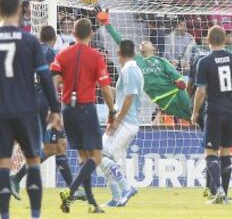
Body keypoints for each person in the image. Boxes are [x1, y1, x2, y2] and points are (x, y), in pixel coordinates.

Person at [0, 0, 61, 219]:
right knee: (33, 160)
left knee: (4, 163)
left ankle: (4, 215)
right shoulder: (30, 41)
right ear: (20, 11)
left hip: (1, 111)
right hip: (26, 110)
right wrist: (55, 109)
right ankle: (35, 215)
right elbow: (46, 78)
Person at [51, 18, 116, 213]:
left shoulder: (63, 54)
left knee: (83, 157)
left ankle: (92, 204)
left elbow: (54, 81)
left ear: (73, 32)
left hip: (67, 109)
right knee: (96, 157)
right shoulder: (96, 57)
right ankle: (71, 191)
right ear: (91, 34)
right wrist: (112, 111)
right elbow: (105, 89)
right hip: (86, 108)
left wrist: (54, 106)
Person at [10, 26, 77, 201]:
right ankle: (73, 190)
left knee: (56, 147)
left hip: (31, 102)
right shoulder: (50, 54)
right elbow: (53, 79)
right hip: (46, 104)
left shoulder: (28, 52)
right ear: (55, 39)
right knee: (56, 146)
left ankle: (73, 189)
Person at [191, 26, 232, 204]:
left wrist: (195, 112)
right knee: (226, 153)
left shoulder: (204, 61)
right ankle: (224, 194)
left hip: (214, 111)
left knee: (210, 152)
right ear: (225, 39)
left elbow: (201, 92)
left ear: (208, 40)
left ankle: (218, 191)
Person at [97, 10, 192, 120]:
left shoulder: (161, 61)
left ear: (154, 48)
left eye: (147, 42)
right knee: (190, 119)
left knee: (196, 117)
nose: (143, 42)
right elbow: (120, 41)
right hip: (163, 101)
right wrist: (107, 23)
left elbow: (177, 77)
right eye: (142, 43)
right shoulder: (137, 60)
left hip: (177, 94)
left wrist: (180, 82)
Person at [99, 40, 144, 207]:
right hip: (126, 120)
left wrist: (117, 120)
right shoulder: (131, 69)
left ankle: (126, 188)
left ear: (120, 52)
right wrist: (102, 86)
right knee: (105, 158)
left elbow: (129, 97)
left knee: (100, 155)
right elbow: (122, 94)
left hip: (125, 122)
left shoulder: (130, 70)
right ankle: (116, 197)